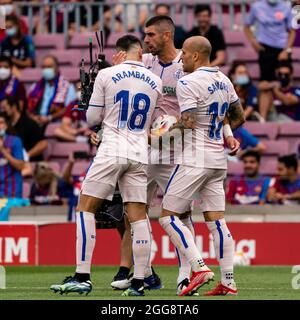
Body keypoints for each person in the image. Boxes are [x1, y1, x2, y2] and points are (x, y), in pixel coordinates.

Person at [107, 15, 239, 295]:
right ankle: (143, 275)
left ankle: (188, 273)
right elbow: (228, 112)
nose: (146, 41)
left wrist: (162, 135)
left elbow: (193, 119)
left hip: (180, 152)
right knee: (134, 211)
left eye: (151, 35)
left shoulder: (187, 71)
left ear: (167, 36)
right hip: (151, 151)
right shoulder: (147, 63)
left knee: (176, 215)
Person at [50, 35, 163, 297]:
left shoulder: (107, 74)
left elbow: (92, 118)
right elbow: (152, 123)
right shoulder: (155, 81)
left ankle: (82, 275)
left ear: (121, 52)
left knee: (85, 208)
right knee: (138, 216)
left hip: (111, 149)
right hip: (138, 152)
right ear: (139, 52)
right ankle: (138, 281)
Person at [159, 36, 245, 296]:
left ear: (195, 56)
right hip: (218, 160)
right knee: (217, 221)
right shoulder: (224, 80)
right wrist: (226, 133)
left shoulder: (187, 81)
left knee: (168, 216)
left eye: (184, 53)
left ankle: (199, 268)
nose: (181, 58)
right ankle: (228, 282)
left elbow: (187, 123)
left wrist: (160, 135)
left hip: (195, 158)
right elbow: (238, 116)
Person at [244, 0, 296, 120]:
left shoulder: (286, 7)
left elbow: (292, 31)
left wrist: (286, 50)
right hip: (265, 49)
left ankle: (289, 115)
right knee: (265, 84)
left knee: (285, 82)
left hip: (282, 50)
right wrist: (254, 42)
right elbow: (246, 26)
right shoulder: (257, 7)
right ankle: (263, 119)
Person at [27, 55, 77, 127]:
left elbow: (69, 108)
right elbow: (28, 107)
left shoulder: (67, 86)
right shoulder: (35, 86)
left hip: (56, 121)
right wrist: (33, 118)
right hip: (36, 121)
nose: (46, 70)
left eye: (49, 67)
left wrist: (49, 118)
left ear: (56, 68)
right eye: (44, 67)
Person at [0, 96, 48, 162]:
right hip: (12, 163)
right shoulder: (6, 125)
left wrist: (26, 155)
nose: (3, 111)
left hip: (31, 163)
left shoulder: (28, 123)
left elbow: (43, 143)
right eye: (1, 109)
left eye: (4, 108)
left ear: (14, 107)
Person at [0, 112, 25, 198]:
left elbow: (20, 166)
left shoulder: (15, 141)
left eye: (1, 122)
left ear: (6, 126)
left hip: (12, 189)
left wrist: (3, 150)